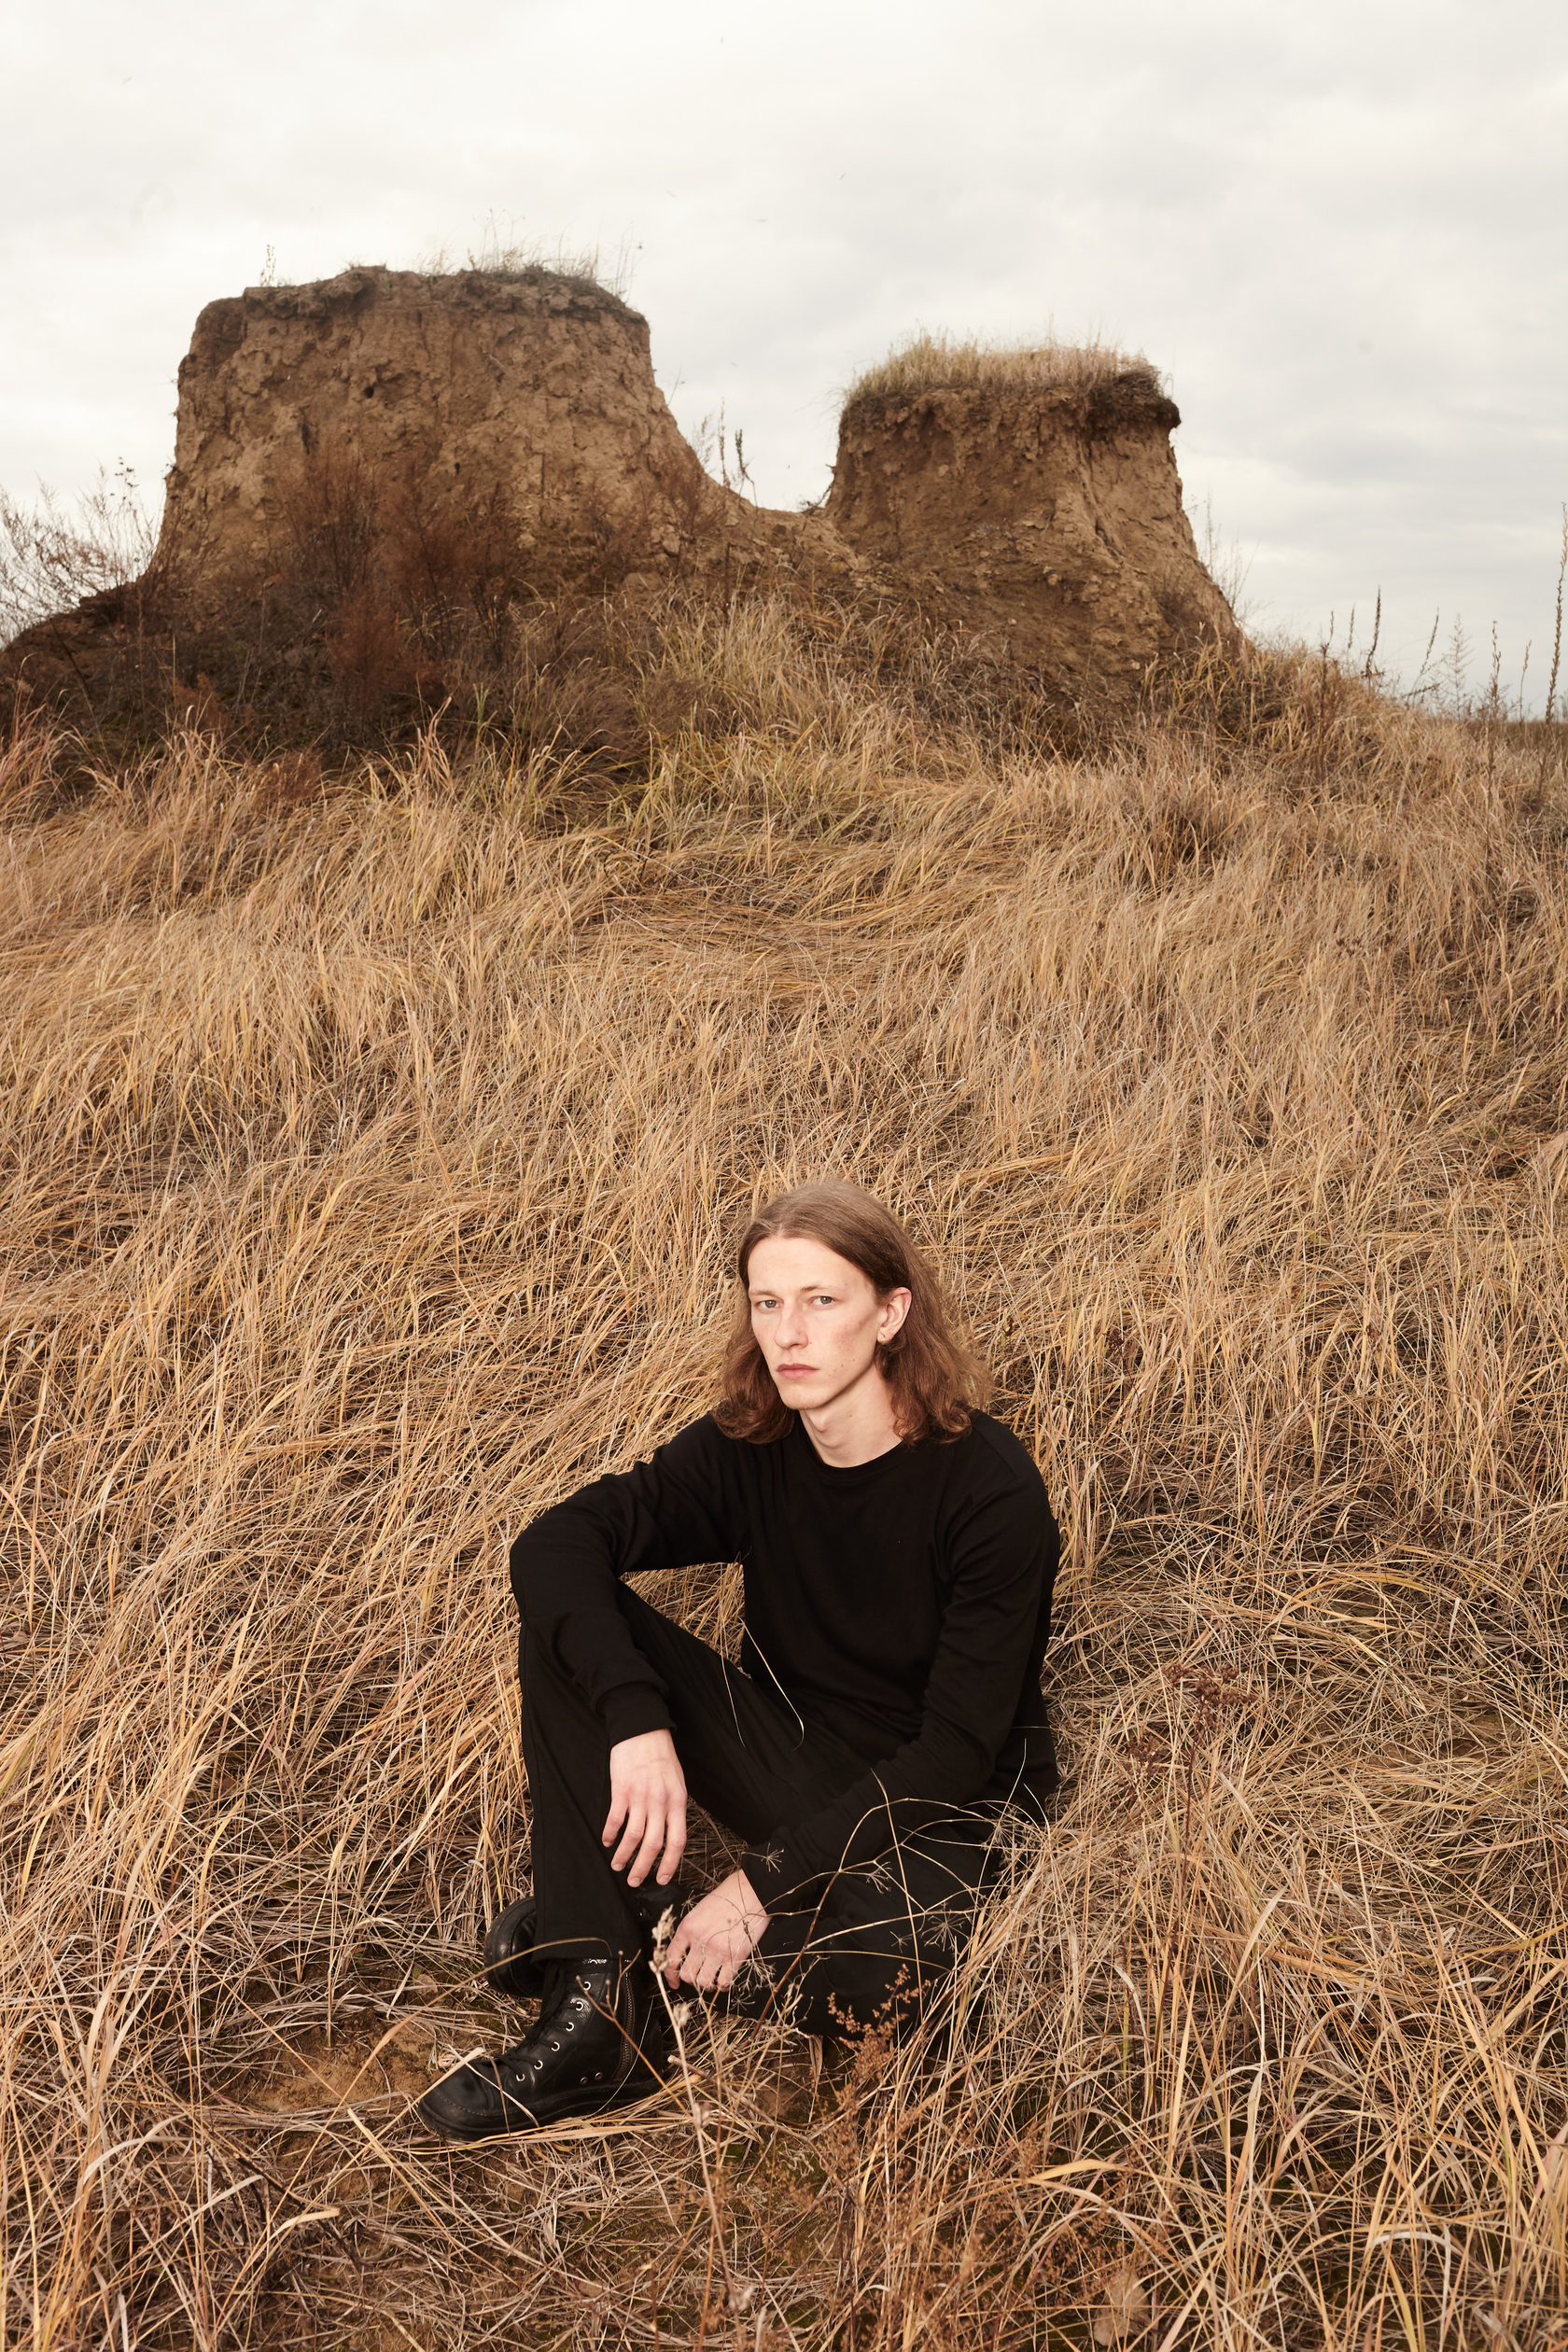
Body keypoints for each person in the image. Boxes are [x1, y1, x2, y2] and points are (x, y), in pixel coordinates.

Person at [419, 1180, 1059, 2142]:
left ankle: (606, 1927)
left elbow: (955, 1754)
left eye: (822, 1300)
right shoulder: (753, 1444)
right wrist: (637, 1718)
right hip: (792, 1757)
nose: (788, 1334)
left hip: (946, 1818)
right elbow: (555, 1543)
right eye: (768, 1302)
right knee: (573, 1621)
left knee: (903, 1978)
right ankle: (600, 2012)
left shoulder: (988, 1491)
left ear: (890, 1314)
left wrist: (758, 1885)